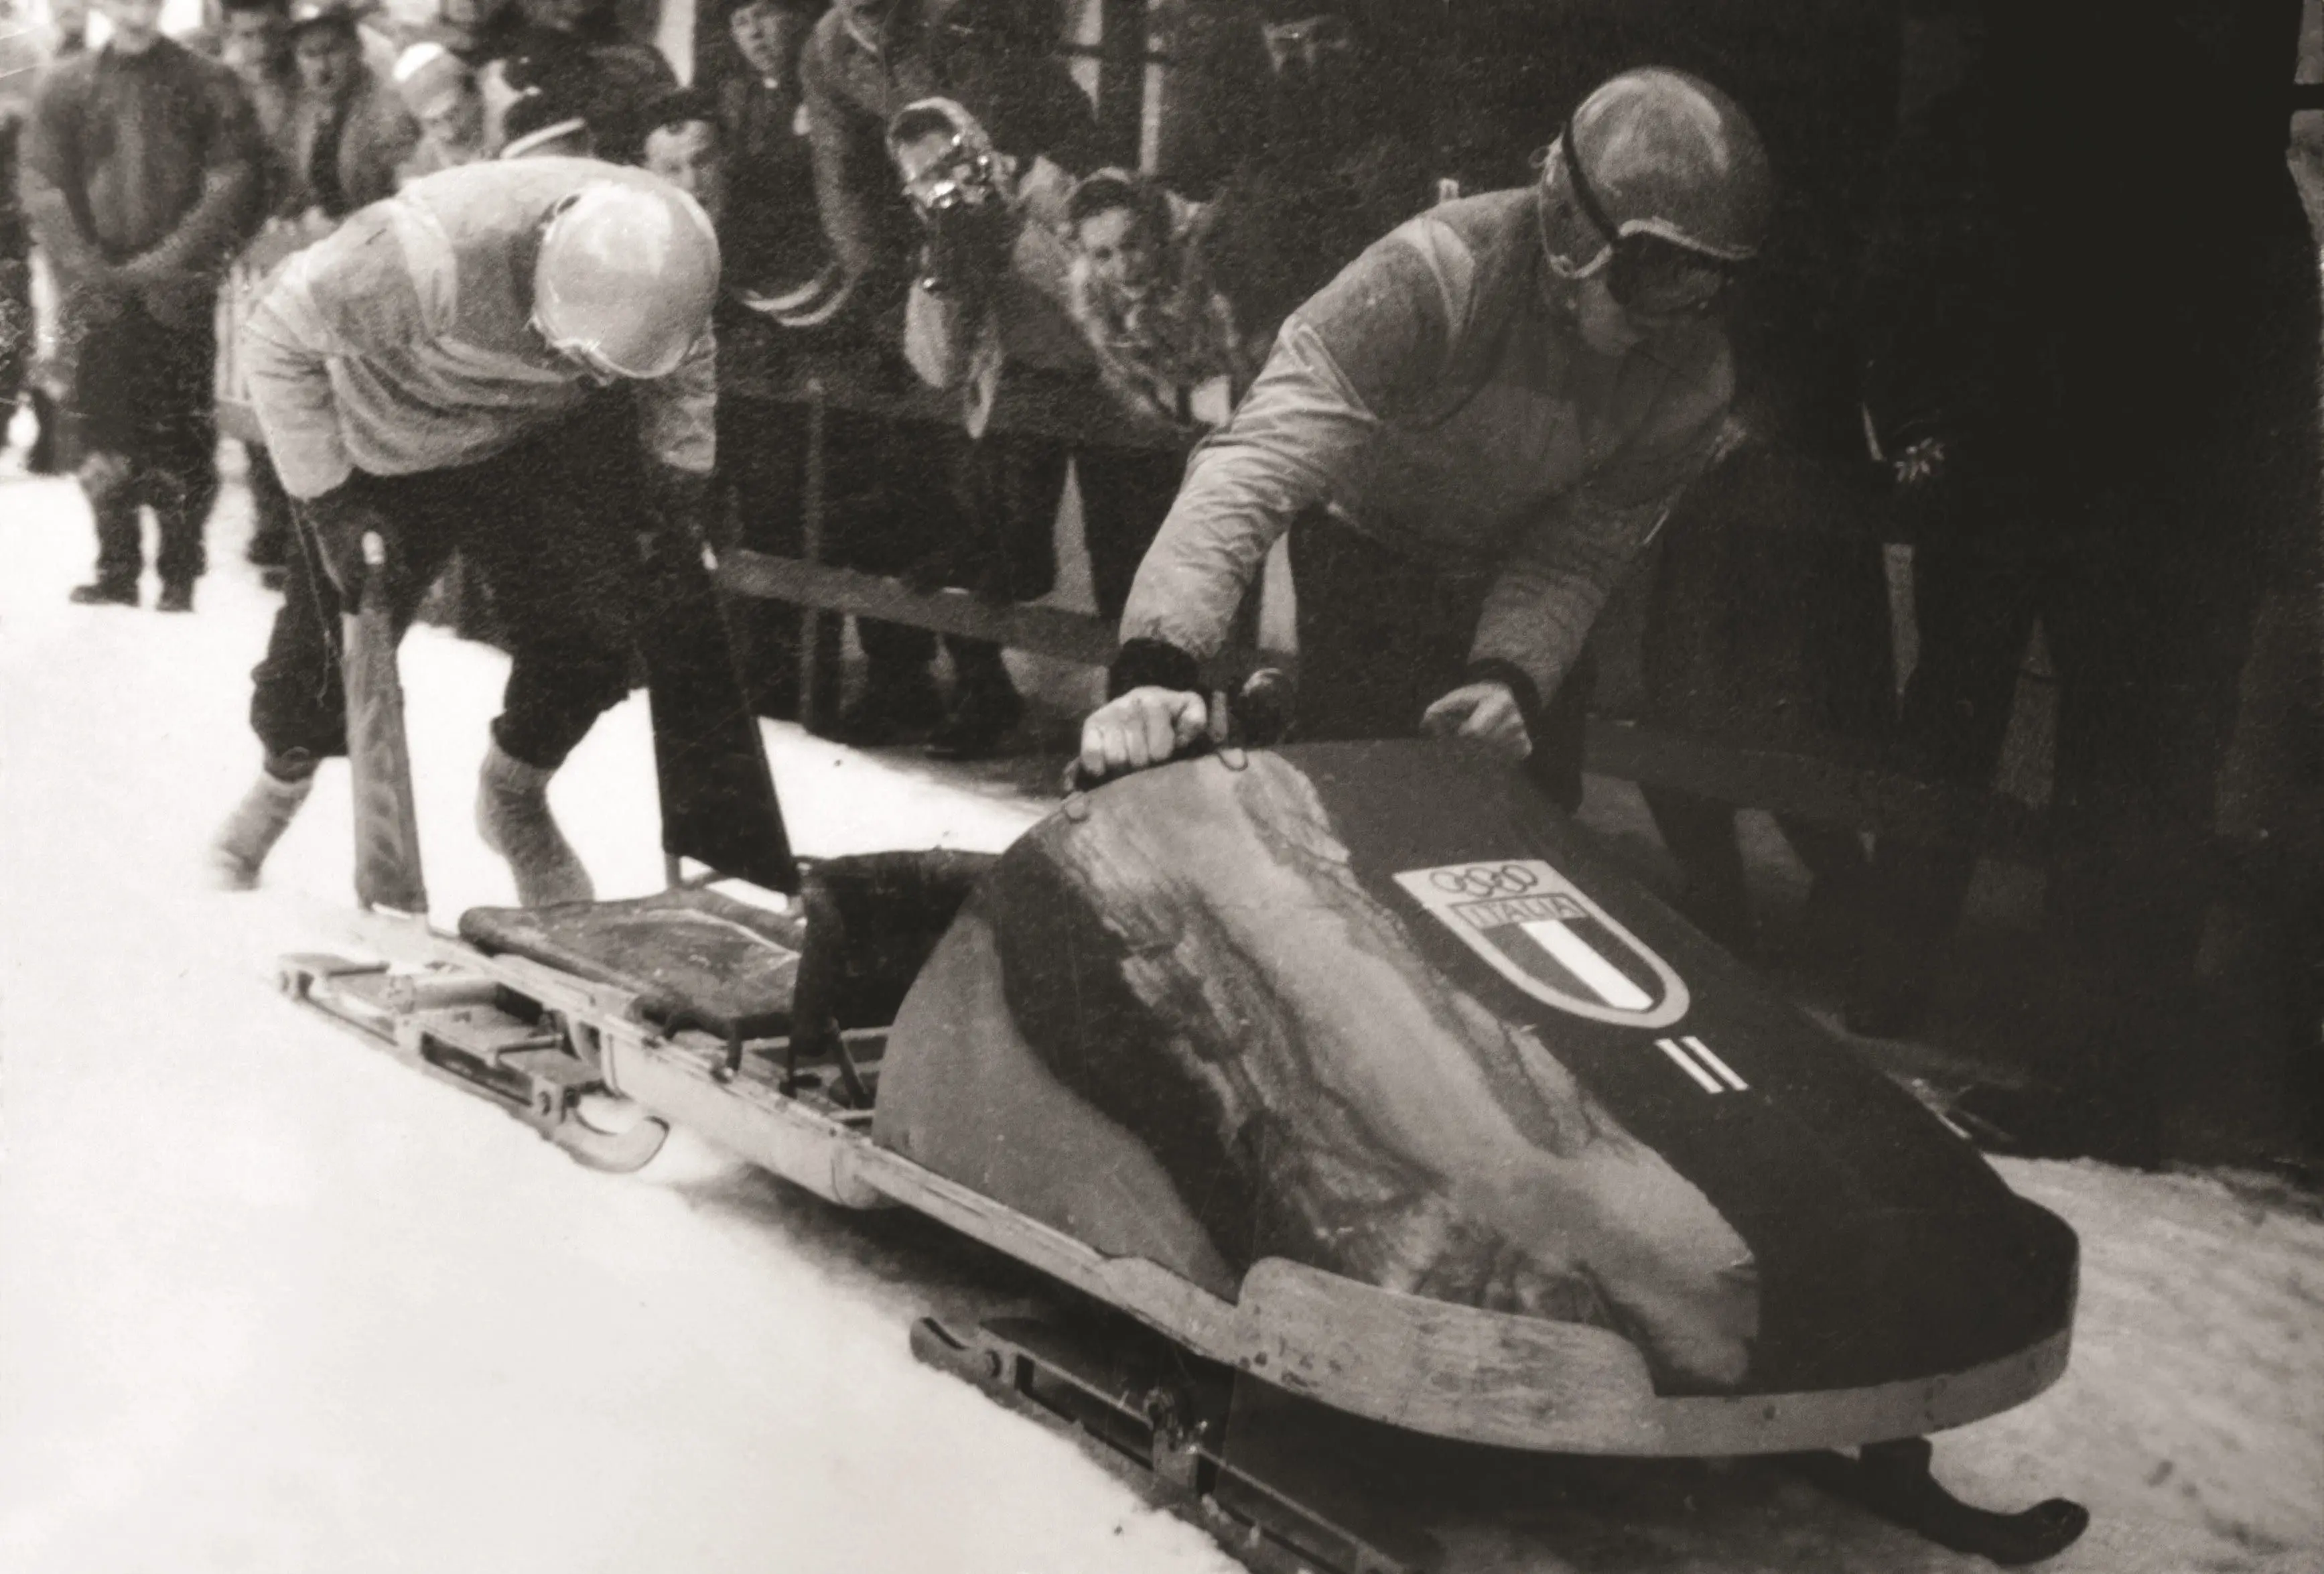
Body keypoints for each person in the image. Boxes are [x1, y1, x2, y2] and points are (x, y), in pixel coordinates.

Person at [1079, 68, 1769, 806]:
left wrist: (1511, 677)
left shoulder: (1696, 375)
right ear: (1575, 230)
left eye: (1707, 283)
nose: (1678, 315)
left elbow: (1579, 553)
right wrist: (1157, 662)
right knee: (1354, 808)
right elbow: (1257, 460)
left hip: (1507, 574)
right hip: (1364, 559)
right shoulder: (1433, 274)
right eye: (1658, 273)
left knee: (1528, 815)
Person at [206, 161, 721, 905]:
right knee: (319, 660)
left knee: (593, 632)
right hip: (388, 443)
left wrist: (680, 475)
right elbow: (274, 335)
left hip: (535, 439)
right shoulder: (417, 257)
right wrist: (330, 501)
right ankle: (277, 791)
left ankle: (514, 797)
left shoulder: (668, 250)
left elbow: (685, 361)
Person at [21, 0, 263, 612]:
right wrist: (84, 265)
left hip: (177, 294)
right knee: (101, 424)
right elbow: (44, 183)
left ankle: (180, 570)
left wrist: (172, 261)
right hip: (98, 292)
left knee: (181, 429)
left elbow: (233, 176)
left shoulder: (208, 82)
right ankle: (116, 564)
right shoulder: (68, 85)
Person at [391, 40, 488, 182]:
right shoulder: (424, 163)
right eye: (433, 123)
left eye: (453, 115)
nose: (451, 133)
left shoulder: (505, 120)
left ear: (474, 95)